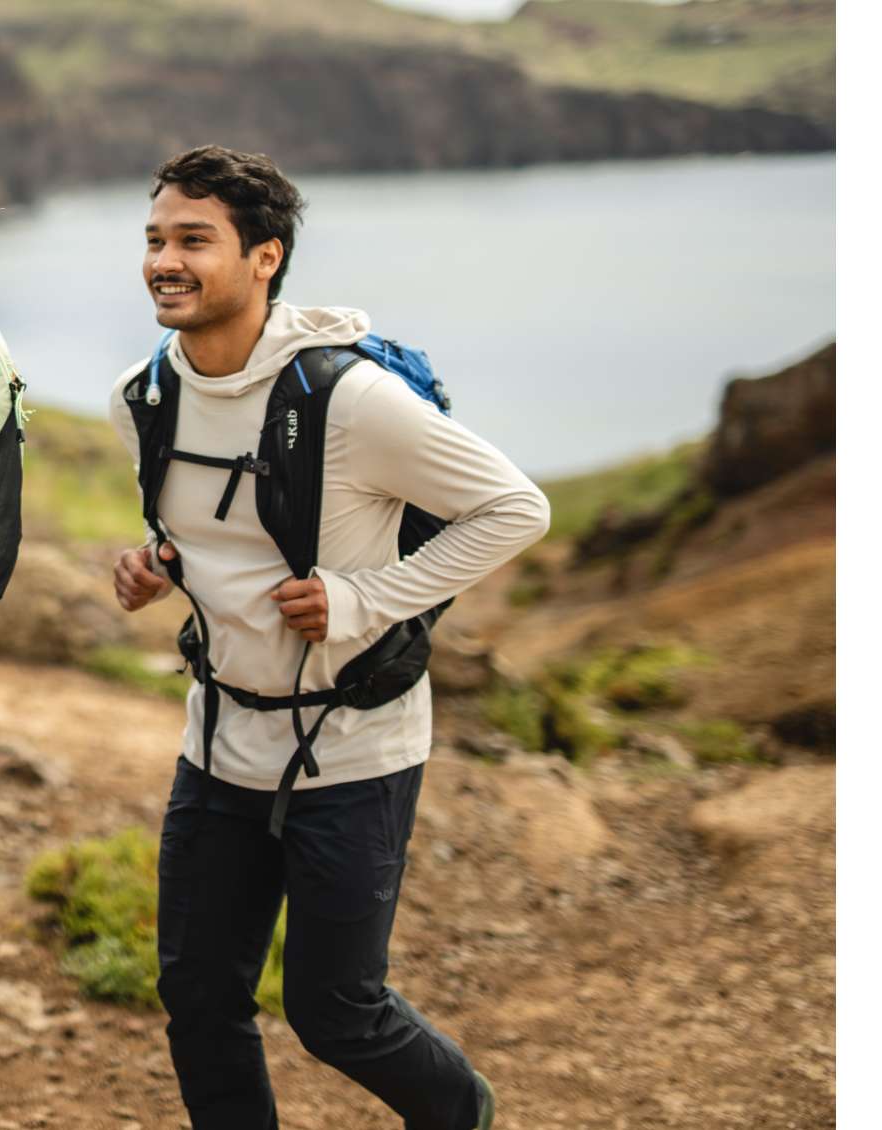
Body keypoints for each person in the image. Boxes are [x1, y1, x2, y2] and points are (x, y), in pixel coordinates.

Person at [107, 145, 546, 1130]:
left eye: (193, 241)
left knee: (334, 1007)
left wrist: (366, 598)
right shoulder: (144, 396)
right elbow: (204, 534)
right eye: (154, 240)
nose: (163, 261)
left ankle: (458, 1109)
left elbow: (516, 508)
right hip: (217, 744)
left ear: (264, 258)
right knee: (200, 1000)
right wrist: (154, 568)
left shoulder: (348, 401)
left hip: (352, 746)